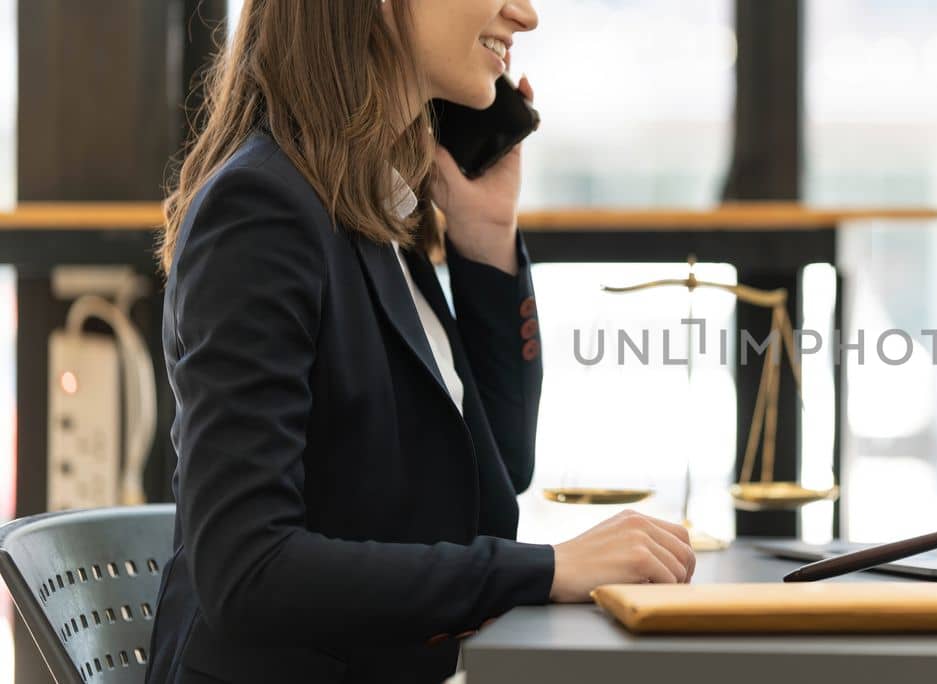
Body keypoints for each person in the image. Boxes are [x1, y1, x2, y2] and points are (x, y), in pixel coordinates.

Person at [147, 1, 695, 682]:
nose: (523, 15)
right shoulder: (263, 210)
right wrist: (549, 570)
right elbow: (249, 571)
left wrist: (486, 238)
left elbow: (498, 470)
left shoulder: (372, 212)